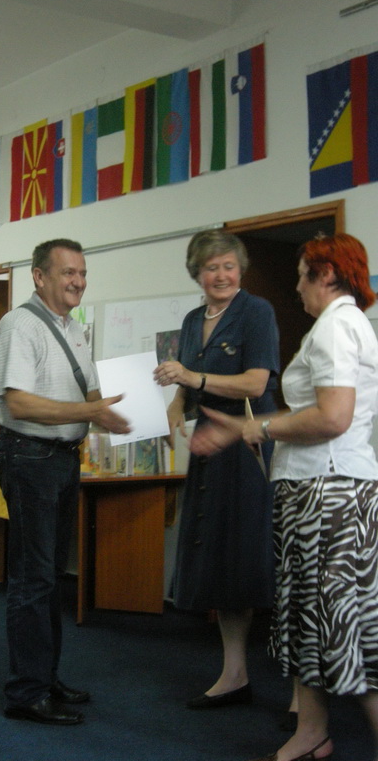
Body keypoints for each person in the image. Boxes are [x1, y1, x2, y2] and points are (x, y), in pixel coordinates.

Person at [191, 233, 378, 761]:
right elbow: (314, 414)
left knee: (341, 625)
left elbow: (333, 418)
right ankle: (311, 731)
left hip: (328, 493)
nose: (296, 287)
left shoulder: (337, 326)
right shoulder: (340, 324)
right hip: (315, 487)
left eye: (301, 276)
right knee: (307, 620)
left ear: (326, 275)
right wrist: (242, 429)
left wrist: (263, 429)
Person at [0, 238, 130, 726]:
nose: (78, 281)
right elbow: (18, 402)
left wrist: (122, 408)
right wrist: (91, 411)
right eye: (68, 272)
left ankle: (45, 677)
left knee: (48, 577)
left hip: (63, 460)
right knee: (33, 579)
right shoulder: (19, 326)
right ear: (39, 276)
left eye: (82, 273)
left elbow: (89, 392)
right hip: (30, 457)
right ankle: (26, 693)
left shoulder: (73, 328)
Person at [154, 229, 280, 709]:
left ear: (240, 269)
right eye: (211, 268)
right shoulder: (192, 320)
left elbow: (256, 382)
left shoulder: (257, 312)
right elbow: (187, 385)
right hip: (208, 449)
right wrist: (175, 404)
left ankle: (298, 690)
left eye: (228, 266)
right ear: (197, 274)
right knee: (221, 562)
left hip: (246, 450)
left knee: (250, 560)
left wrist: (192, 377)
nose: (221, 275)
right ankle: (234, 673)